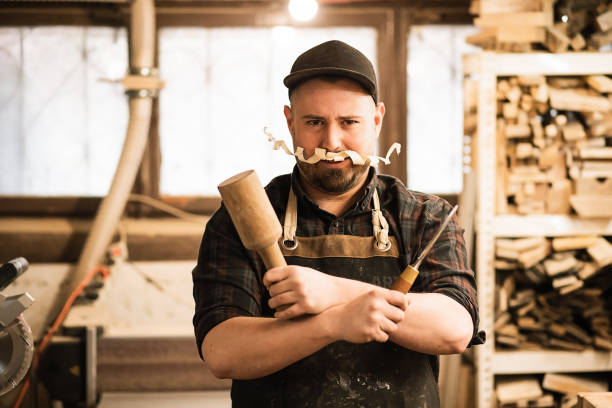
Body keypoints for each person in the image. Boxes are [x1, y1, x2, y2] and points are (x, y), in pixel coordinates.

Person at [192, 40, 484, 408]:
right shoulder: (240, 218)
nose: (332, 141)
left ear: (376, 120)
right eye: (315, 122)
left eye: (349, 122)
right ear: (289, 122)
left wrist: (336, 292)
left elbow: (455, 329)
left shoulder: (425, 217)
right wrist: (332, 324)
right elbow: (222, 352)